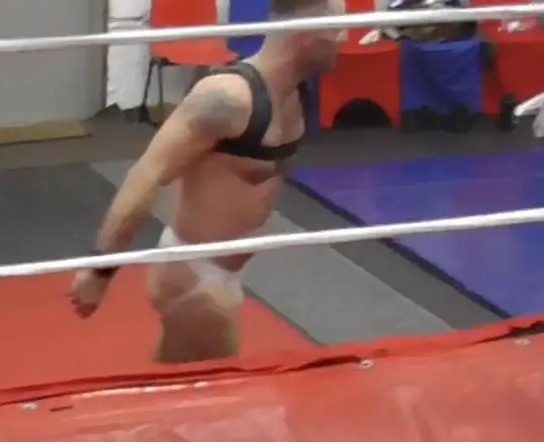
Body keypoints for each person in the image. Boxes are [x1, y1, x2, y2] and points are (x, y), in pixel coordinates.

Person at [68, 0, 344, 365]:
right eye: (337, 27)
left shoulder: (296, 96)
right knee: (220, 389)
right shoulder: (226, 98)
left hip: (228, 273)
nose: (345, 38)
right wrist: (100, 271)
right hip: (195, 277)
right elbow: (146, 175)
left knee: (185, 388)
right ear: (305, 33)